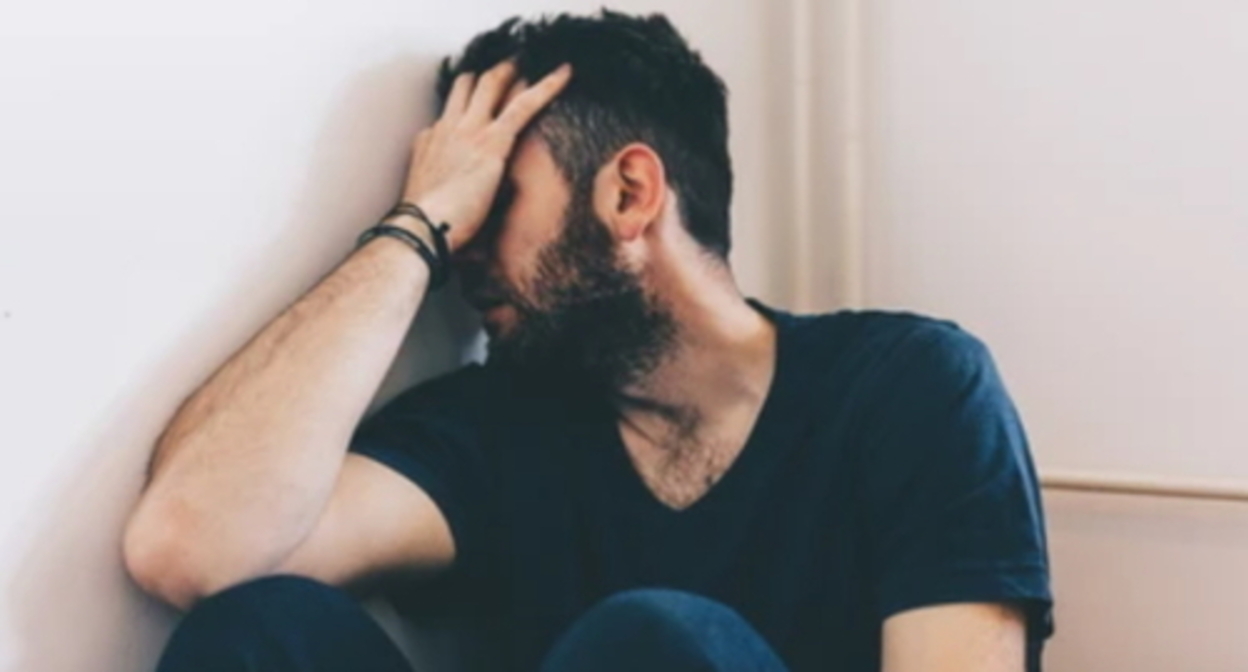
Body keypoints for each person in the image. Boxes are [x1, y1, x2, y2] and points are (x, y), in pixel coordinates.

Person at [123, 10, 1054, 672]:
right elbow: (189, 549)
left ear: (628, 194)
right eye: (460, 214)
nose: (464, 254)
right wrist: (413, 228)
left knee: (655, 642)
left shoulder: (909, 388)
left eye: (492, 204)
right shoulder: (495, 425)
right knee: (262, 628)